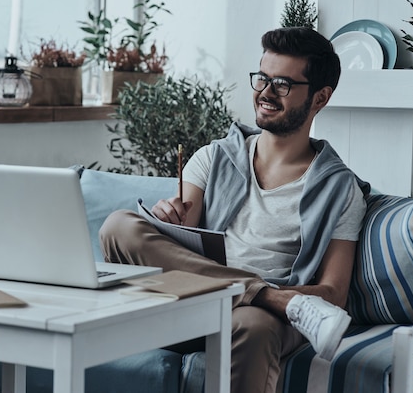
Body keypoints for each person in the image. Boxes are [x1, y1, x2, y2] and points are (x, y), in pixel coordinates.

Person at [99, 27, 370, 393]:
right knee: (118, 225)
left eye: (283, 84)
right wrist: (167, 222)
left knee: (254, 327)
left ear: (320, 98)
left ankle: (264, 301)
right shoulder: (214, 157)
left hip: (261, 319)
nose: (265, 93)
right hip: (200, 299)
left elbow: (334, 294)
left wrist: (265, 303)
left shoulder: (340, 189)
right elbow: (181, 242)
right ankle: (264, 293)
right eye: (262, 78)